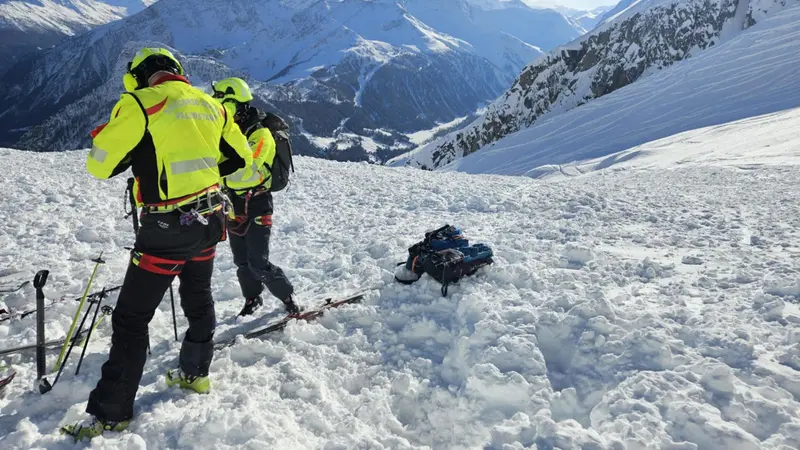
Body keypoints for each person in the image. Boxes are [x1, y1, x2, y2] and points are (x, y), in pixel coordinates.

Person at [61, 48, 253, 441]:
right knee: (198, 297)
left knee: (131, 318)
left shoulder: (140, 103)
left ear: (138, 75)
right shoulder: (211, 105)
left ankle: (112, 412)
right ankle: (195, 374)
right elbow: (240, 156)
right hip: (209, 219)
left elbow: (98, 164)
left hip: (166, 227)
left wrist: (132, 150)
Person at [211, 77, 300, 316]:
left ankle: (287, 296)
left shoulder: (260, 135)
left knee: (258, 262)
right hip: (232, 204)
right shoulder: (227, 131)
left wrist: (217, 170)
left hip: (257, 203)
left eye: (221, 101)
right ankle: (252, 299)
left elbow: (248, 173)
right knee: (241, 261)